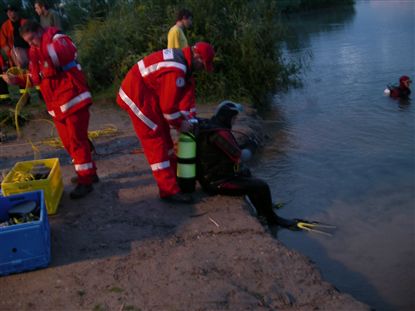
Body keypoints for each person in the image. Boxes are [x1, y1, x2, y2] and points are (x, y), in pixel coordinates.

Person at [2, 20, 98, 199]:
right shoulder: (35, 49)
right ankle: (90, 173)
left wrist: (41, 49)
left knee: (77, 142)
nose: (31, 44)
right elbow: (36, 77)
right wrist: (17, 80)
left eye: (33, 40)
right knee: (69, 143)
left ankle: (86, 181)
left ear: (40, 31)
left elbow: (63, 55)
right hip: (57, 106)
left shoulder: (57, 39)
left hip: (74, 100)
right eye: (28, 42)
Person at [116, 42, 215, 203]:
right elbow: (169, 108)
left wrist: (183, 120)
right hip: (137, 96)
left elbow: (179, 100)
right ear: (196, 56)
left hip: (147, 93)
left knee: (164, 135)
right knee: (155, 140)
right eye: (202, 64)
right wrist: (180, 124)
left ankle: (174, 179)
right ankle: (168, 191)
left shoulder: (181, 63)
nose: (202, 69)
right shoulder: (177, 68)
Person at [196, 100, 306, 227]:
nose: (234, 121)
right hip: (216, 183)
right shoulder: (220, 134)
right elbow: (241, 156)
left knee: (245, 172)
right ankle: (273, 220)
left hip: (209, 177)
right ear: (227, 117)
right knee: (261, 186)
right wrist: (252, 146)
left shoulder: (210, 127)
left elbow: (227, 151)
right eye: (234, 118)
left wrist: (247, 146)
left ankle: (262, 211)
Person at [0, 4, 29, 103]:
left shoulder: (25, 23)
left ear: (16, 12)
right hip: (13, 56)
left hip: (28, 54)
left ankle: (41, 95)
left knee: (32, 74)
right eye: (8, 12)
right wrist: (13, 55)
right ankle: (24, 98)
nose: (9, 14)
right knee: (19, 76)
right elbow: (3, 44)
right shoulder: (5, 26)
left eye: (11, 11)